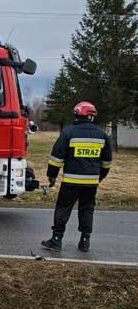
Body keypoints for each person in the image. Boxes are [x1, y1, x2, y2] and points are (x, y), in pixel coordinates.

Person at [41, 101, 113, 253]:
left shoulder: (68, 133)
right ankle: (85, 242)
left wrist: (52, 176)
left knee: (63, 208)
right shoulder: (102, 135)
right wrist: (99, 177)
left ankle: (56, 240)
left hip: (71, 181)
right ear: (90, 116)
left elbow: (56, 158)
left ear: (77, 115)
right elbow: (107, 162)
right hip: (91, 182)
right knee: (87, 209)